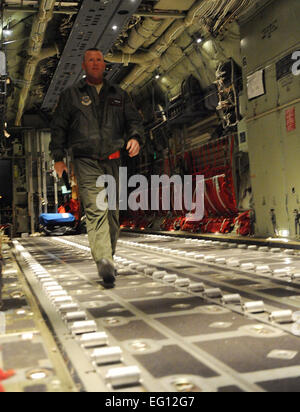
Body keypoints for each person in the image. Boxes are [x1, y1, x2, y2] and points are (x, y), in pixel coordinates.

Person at [49, 48, 144, 288]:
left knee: (112, 212)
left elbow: (133, 121)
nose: (95, 63)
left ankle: (107, 257)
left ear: (105, 66)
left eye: (99, 60)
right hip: (85, 160)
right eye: (90, 60)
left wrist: (135, 138)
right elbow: (59, 127)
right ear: (84, 66)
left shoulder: (119, 95)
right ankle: (103, 258)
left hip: (113, 159)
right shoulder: (71, 95)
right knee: (96, 208)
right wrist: (58, 157)